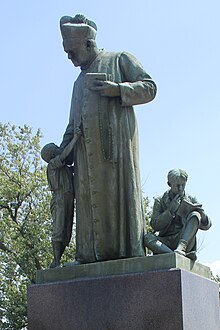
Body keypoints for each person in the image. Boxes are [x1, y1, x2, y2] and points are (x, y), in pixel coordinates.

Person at [59, 14, 157, 264]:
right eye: (67, 52)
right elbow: (72, 125)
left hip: (116, 154)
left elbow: (149, 87)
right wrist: (61, 153)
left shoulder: (119, 59)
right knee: (88, 204)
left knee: (119, 200)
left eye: (72, 52)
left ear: (89, 44)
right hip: (85, 160)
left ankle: (126, 254)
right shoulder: (77, 83)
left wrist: (119, 90)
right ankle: (88, 257)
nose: (70, 58)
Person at [144, 169, 211, 261]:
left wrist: (202, 215)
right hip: (165, 242)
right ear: (169, 184)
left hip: (184, 239)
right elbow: (155, 225)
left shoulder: (191, 199)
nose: (180, 188)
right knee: (147, 238)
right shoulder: (160, 200)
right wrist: (170, 211)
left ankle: (181, 248)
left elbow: (207, 226)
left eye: (183, 185)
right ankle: (173, 255)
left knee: (195, 214)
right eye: (177, 185)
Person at [41, 128, 81, 268]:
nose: (59, 148)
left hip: (68, 198)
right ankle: (56, 260)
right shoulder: (53, 165)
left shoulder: (63, 167)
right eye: (56, 148)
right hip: (59, 199)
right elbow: (64, 155)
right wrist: (75, 138)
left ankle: (57, 260)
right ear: (51, 154)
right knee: (59, 228)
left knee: (67, 230)